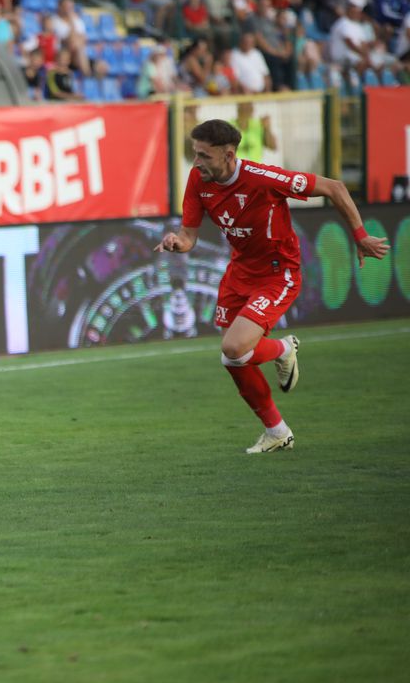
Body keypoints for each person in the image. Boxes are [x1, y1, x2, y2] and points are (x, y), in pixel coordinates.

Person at [155, 119, 389, 454]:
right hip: (239, 272)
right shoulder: (198, 179)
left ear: (229, 155)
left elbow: (335, 187)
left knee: (234, 348)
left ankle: (282, 349)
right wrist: (177, 242)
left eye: (204, 155)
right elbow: (189, 236)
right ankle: (277, 431)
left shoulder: (263, 178)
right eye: (195, 153)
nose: (197, 162)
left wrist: (360, 236)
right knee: (233, 358)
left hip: (278, 274)